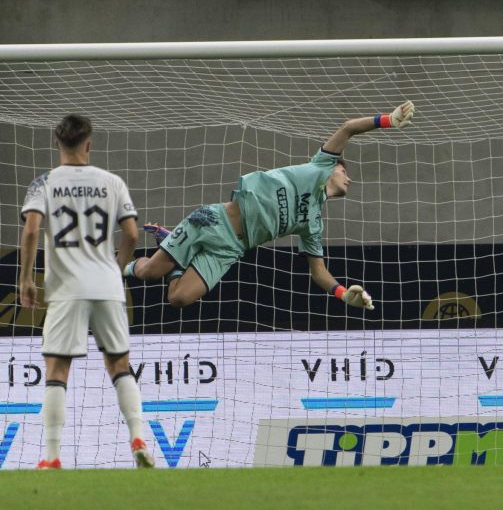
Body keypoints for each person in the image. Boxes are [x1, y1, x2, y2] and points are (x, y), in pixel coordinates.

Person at [126, 102, 416, 310]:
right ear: (332, 167)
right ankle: (122, 267)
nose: (349, 179)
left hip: (231, 249)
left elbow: (319, 272)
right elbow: (349, 128)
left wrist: (342, 294)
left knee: (178, 299)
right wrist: (388, 120)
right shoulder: (319, 165)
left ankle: (175, 255)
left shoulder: (314, 223)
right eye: (345, 171)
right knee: (150, 271)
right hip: (212, 221)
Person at [19, 114, 155, 469]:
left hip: (67, 288)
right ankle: (138, 436)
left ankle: (52, 456)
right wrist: (116, 267)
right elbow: (132, 234)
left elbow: (32, 230)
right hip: (107, 285)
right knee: (119, 364)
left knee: (56, 369)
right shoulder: (111, 181)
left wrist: (26, 279)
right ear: (89, 144)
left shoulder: (44, 183)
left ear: (57, 144)